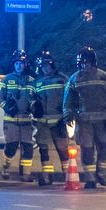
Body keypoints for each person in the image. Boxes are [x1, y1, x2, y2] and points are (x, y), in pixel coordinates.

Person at [62, 47, 106, 189]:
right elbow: (68, 101)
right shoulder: (74, 79)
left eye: (88, 62)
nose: (86, 65)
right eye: (83, 63)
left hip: (103, 120)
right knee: (87, 148)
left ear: (93, 62)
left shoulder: (103, 76)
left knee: (105, 146)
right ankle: (90, 178)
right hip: (84, 121)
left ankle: (101, 172)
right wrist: (67, 114)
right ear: (79, 64)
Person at [0, 50, 36, 182]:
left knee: (28, 148)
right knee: (11, 147)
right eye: (17, 63)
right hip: (10, 120)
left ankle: (26, 174)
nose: (19, 66)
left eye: (21, 63)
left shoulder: (31, 81)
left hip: (26, 121)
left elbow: (36, 97)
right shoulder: (7, 79)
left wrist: (35, 107)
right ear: (14, 64)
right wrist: (6, 106)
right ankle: (5, 167)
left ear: (26, 64)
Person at [31, 51, 68, 187]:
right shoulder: (37, 82)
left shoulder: (62, 79)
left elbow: (71, 98)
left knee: (63, 150)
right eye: (42, 66)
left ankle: (68, 176)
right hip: (42, 123)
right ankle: (47, 177)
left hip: (59, 121)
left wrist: (67, 114)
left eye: (47, 65)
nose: (45, 68)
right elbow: (32, 99)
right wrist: (34, 107)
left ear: (52, 65)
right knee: (44, 150)